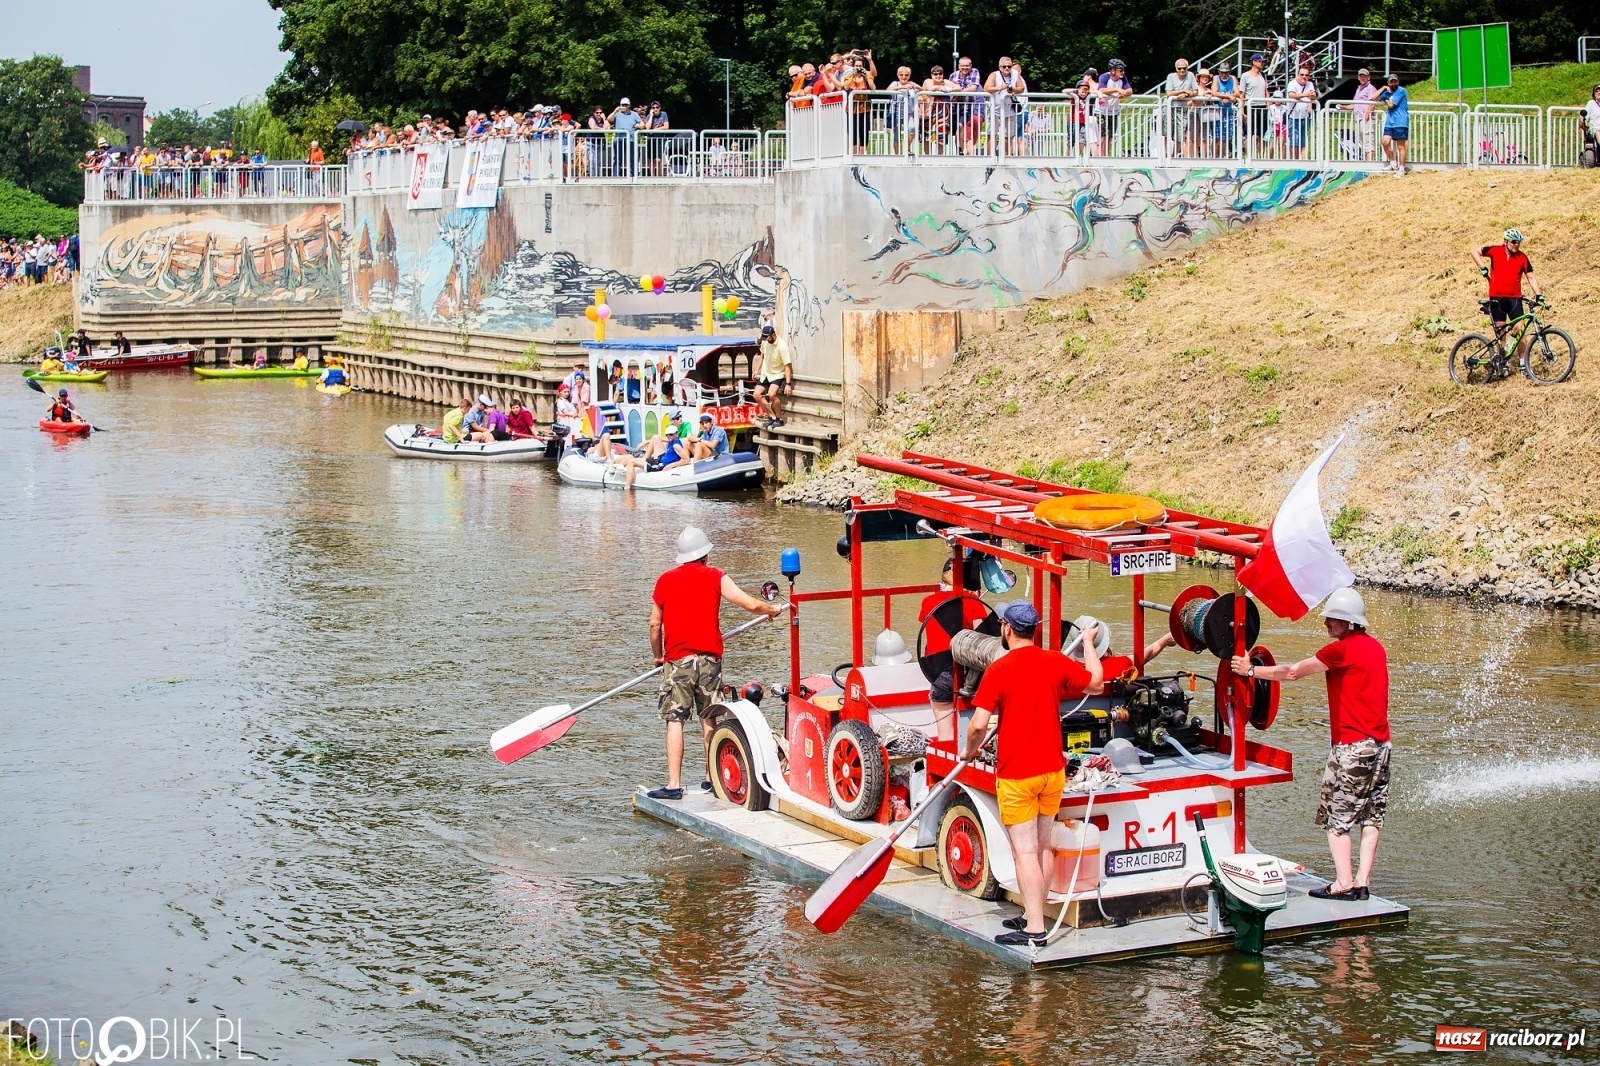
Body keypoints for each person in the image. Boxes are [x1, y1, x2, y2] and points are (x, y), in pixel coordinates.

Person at [1231, 588, 1388, 901]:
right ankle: (1362, 882)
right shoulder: (1376, 648)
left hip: (1352, 748)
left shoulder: (1340, 652)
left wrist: (1249, 670)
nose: (1326, 623)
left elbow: (1292, 672)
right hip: (1381, 746)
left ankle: (1343, 883)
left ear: (1348, 622)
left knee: (1337, 819)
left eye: (1333, 619)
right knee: (1371, 816)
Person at [962, 602, 1103, 946]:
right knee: (1042, 846)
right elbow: (1097, 683)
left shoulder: (999, 669)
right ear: (1034, 630)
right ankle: (1032, 912)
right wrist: (1086, 642)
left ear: (1007, 630)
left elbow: (978, 724)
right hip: (1052, 771)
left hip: (1018, 774)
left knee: (1024, 852)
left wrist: (970, 750)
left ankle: (1035, 930)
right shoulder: (1055, 661)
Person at [646, 526, 783, 799]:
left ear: (682, 557)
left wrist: (658, 656)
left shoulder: (665, 580)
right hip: (709, 662)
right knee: (708, 718)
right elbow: (750, 604)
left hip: (678, 662)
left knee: (675, 720)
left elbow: (654, 624)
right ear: (705, 555)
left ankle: (673, 786)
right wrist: (772, 610)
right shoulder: (716, 577)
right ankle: (711, 778)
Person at [917, 555, 992, 741]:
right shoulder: (972, 600)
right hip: (968, 673)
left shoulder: (927, 601)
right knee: (972, 722)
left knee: (945, 731)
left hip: (937, 669)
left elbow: (928, 631)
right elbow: (981, 638)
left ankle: (947, 753)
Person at [1470, 228, 1543, 371]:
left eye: (1519, 242)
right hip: (1497, 298)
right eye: (1514, 242)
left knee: (1520, 329)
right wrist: (1482, 267)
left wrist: (1539, 294)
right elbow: (1474, 251)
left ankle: (1523, 364)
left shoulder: (1522, 257)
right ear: (1506, 241)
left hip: (1514, 298)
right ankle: (1503, 363)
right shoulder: (1495, 251)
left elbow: (1531, 277)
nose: (1516, 245)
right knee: (1500, 333)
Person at [752, 325, 793, 427]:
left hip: (777, 374)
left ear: (773, 335)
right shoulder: (765, 342)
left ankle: (779, 418)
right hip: (766, 373)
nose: (767, 340)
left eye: (768, 338)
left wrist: (788, 384)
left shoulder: (782, 346)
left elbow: (787, 365)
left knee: (772, 395)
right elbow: (762, 356)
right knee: (756, 395)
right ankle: (772, 416)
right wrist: (757, 369)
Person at [1377, 74, 1409, 176]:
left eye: (1395, 81)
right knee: (1385, 142)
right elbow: (1374, 98)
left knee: (1400, 146)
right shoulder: (1388, 92)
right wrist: (1383, 91)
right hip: (1390, 122)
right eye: (1391, 82)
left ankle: (1402, 168)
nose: (1393, 83)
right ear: (1388, 83)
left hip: (1400, 121)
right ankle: (1393, 163)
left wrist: (1385, 98)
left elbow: (1391, 105)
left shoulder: (1401, 91)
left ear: (1398, 82)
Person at [1582, 83, 1600, 162]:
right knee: (1598, 131)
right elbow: (1584, 116)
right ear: (1594, 93)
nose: (1599, 93)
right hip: (1595, 128)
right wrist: (1582, 119)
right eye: (1597, 91)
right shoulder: (1591, 104)